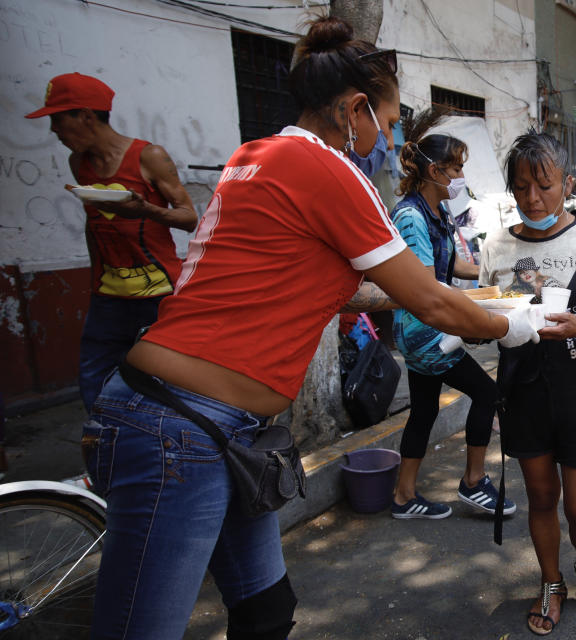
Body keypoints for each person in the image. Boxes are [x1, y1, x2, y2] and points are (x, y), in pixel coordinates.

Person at [78, 17, 542, 639]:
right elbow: (429, 302)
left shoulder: (257, 155)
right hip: (180, 428)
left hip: (218, 431)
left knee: (265, 612)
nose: (393, 136)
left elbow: (336, 284)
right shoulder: (329, 170)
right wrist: (511, 325)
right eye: (392, 118)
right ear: (356, 111)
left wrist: (484, 310)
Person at [480, 132, 576, 634]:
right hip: (523, 391)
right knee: (541, 499)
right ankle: (551, 582)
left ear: (566, 183)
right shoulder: (497, 245)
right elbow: (489, 311)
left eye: (543, 186)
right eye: (520, 188)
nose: (532, 198)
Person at [25, 73, 197, 413]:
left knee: (169, 380)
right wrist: (95, 283)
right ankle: (104, 446)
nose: (54, 132)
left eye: (58, 120)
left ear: (86, 116)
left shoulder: (148, 156)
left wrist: (144, 209)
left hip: (158, 291)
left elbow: (189, 217)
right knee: (95, 377)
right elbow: (94, 225)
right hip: (108, 296)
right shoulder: (79, 164)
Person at [388, 133, 515, 519]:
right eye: (457, 167)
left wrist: (495, 274)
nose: (461, 175)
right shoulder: (410, 217)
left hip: (429, 324)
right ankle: (474, 482)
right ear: (435, 170)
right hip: (424, 331)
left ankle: (403, 496)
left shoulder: (438, 212)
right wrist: (477, 317)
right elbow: (426, 287)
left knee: (424, 410)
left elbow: (454, 267)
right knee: (488, 393)